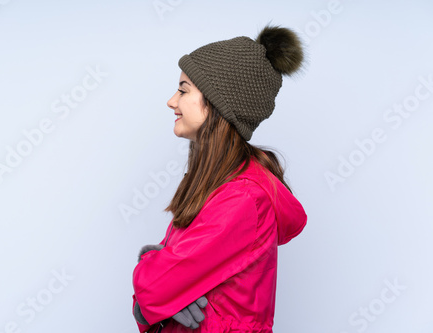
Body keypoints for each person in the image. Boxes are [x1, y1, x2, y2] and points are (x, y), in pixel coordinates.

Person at [131, 24, 308, 332]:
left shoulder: (242, 198)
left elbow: (153, 287)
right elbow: (161, 284)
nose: (172, 101)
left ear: (217, 105)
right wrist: (163, 289)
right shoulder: (217, 184)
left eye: (184, 90)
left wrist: (156, 287)